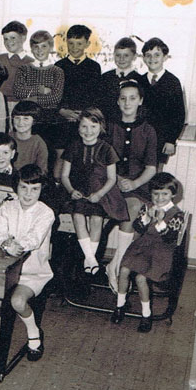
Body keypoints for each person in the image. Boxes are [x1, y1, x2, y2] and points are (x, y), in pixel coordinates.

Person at [0, 164, 55, 360]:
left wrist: (16, 245)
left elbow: (34, 239)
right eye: (23, 187)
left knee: (17, 301)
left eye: (34, 189)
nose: (28, 194)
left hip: (32, 272)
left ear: (42, 189)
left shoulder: (46, 213)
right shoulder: (7, 207)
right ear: (15, 187)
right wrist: (5, 242)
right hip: (5, 269)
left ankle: (34, 333)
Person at [112, 172, 185, 333]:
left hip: (161, 251)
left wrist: (159, 221)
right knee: (123, 270)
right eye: (156, 194)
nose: (159, 199)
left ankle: (146, 315)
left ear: (172, 194)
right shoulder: (147, 207)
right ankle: (120, 305)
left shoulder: (176, 213)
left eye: (164, 194)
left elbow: (169, 238)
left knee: (140, 278)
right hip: (143, 245)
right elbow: (137, 228)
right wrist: (145, 219)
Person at [61, 108, 129, 275]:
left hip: (100, 192)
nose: (88, 131)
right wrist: (71, 190)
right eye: (84, 127)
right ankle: (90, 258)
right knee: (78, 216)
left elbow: (112, 179)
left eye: (93, 126)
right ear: (78, 128)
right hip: (78, 190)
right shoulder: (73, 146)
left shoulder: (107, 149)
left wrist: (99, 194)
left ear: (101, 127)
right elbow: (64, 175)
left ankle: (89, 258)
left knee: (96, 220)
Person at [105, 81, 157, 291]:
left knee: (134, 207)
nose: (128, 103)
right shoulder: (109, 126)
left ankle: (116, 265)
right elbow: (102, 160)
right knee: (128, 209)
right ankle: (116, 265)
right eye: (123, 98)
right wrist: (116, 179)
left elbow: (151, 168)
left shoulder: (148, 130)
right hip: (109, 183)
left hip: (138, 186)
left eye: (132, 98)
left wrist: (134, 182)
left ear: (140, 101)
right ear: (118, 101)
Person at [12, 29, 64, 177]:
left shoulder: (57, 71)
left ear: (51, 48)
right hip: (27, 120)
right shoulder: (24, 68)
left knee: (47, 158)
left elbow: (55, 98)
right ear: (31, 48)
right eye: (36, 47)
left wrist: (29, 98)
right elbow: (18, 93)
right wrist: (40, 90)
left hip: (49, 121)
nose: (39, 50)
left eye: (44, 46)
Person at [55, 24, 102, 177]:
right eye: (71, 43)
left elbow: (94, 95)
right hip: (62, 120)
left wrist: (84, 114)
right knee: (60, 156)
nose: (74, 47)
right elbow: (55, 94)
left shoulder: (93, 67)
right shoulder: (59, 66)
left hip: (84, 120)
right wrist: (62, 110)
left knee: (80, 157)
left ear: (87, 44)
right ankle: (57, 189)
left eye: (79, 44)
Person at [138, 37, 186, 168]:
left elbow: (179, 114)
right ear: (143, 58)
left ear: (165, 57)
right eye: (148, 55)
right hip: (139, 136)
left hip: (161, 138)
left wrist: (171, 140)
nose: (152, 59)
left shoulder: (172, 82)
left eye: (157, 55)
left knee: (154, 172)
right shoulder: (139, 81)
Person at [96, 37, 142, 124]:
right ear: (113, 55)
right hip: (107, 125)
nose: (121, 59)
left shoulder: (140, 80)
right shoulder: (105, 78)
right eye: (118, 55)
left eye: (126, 55)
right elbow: (99, 103)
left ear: (134, 57)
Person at [0, 20, 34, 114]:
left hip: (22, 108)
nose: (9, 42)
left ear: (23, 38)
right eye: (5, 39)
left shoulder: (32, 63)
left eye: (13, 38)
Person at [10, 101, 48, 174]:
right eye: (17, 118)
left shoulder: (39, 143)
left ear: (34, 121)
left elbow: (42, 170)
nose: (20, 122)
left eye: (26, 118)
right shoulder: (7, 138)